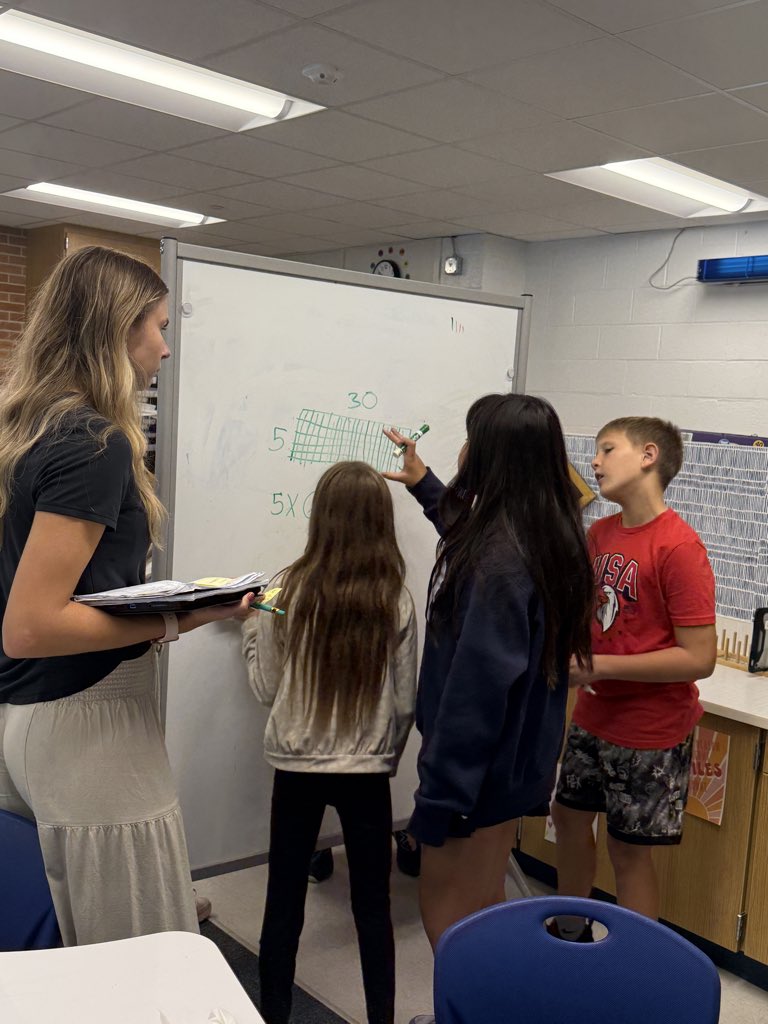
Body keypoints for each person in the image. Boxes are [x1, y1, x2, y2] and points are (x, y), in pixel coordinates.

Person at [0, 246, 254, 946]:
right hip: (90, 722)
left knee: (68, 945)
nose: (167, 349)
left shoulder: (27, 428)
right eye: (159, 327)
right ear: (117, 330)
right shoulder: (93, 441)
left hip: (29, 715)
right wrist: (178, 618)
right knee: (138, 953)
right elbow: (29, 624)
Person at [383, 393, 594, 958]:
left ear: (493, 455)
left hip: (474, 778)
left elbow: (475, 694)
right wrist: (426, 483)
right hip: (513, 768)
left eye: (474, 437)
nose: (465, 447)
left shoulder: (498, 563)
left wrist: (442, 797)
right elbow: (474, 533)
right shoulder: (548, 535)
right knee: (482, 901)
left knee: (448, 917)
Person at [238, 461, 417, 1024]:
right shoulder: (396, 597)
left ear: (320, 517)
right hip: (366, 772)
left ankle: (274, 1014)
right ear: (380, 521)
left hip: (295, 765)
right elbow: (408, 701)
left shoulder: (282, 591)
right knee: (373, 907)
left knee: (283, 898)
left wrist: (249, 628)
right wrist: (382, 758)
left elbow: (267, 687)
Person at [551, 416, 717, 932]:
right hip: (593, 717)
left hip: (650, 730)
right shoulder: (599, 533)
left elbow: (698, 658)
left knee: (628, 853)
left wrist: (599, 665)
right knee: (569, 821)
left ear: (648, 455)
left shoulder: (678, 546)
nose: (595, 462)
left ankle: (632, 966)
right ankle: (570, 933)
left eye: (606, 449)